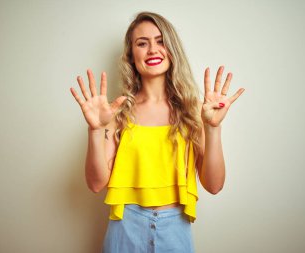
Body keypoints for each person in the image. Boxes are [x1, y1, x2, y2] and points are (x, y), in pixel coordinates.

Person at [70, 11, 244, 253]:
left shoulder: (193, 110)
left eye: (160, 41)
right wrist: (95, 130)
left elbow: (214, 185)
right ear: (131, 56)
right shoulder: (117, 111)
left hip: (175, 230)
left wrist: (213, 128)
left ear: (171, 49)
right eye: (142, 43)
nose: (152, 49)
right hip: (125, 228)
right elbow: (96, 183)